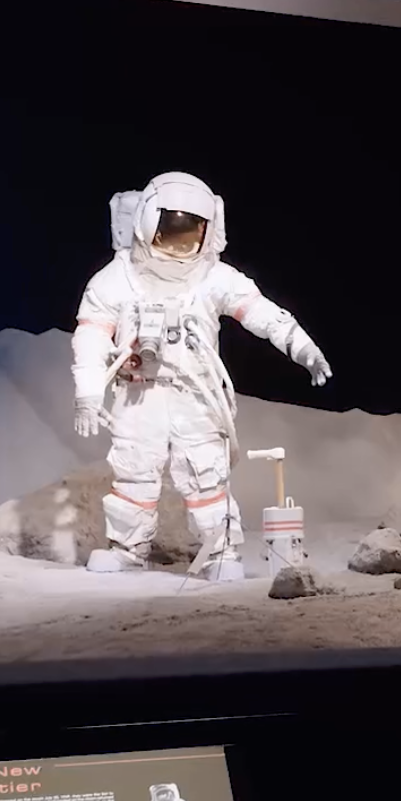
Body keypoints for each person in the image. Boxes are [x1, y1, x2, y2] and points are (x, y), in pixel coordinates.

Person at [70, 172, 330, 580]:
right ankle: (126, 550)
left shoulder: (212, 277)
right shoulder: (116, 280)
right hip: (138, 396)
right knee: (134, 474)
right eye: (169, 232)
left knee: (206, 476)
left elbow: (262, 313)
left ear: (207, 233)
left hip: (195, 395)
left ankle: (220, 553)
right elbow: (90, 338)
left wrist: (302, 347)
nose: (178, 244)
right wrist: (87, 394)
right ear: (146, 223)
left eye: (188, 234)